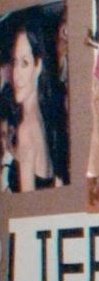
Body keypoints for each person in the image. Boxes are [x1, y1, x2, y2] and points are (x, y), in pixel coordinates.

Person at [4, 8, 69, 192]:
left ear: (38, 66)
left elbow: (29, 205)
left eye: (24, 63)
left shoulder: (25, 131)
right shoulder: (44, 119)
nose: (16, 74)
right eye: (15, 62)